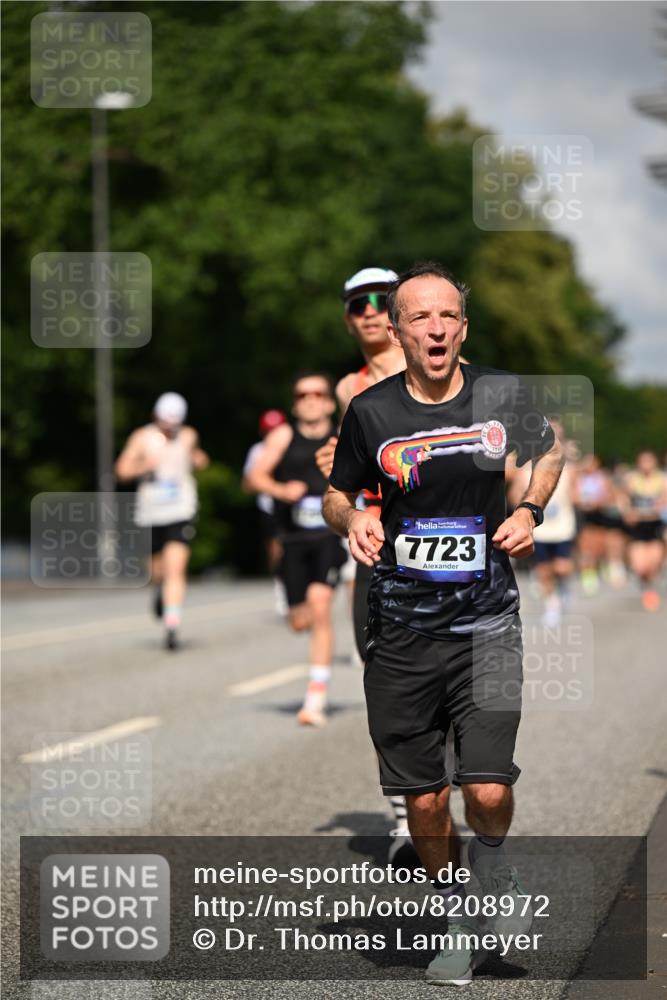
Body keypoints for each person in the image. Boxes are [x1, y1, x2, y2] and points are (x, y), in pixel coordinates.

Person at [323, 262, 563, 985]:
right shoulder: (371, 412)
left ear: (463, 326)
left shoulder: (500, 395)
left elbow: (548, 450)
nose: (435, 328)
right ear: (397, 332)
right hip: (400, 631)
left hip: (487, 621)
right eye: (418, 318)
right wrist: (354, 519)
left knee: (485, 790)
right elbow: (336, 495)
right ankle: (455, 916)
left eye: (447, 316)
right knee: (423, 799)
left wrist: (528, 509)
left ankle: (493, 870)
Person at [246, 373, 347, 726]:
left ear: (329, 402)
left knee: (320, 608)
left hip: (329, 538)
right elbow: (253, 477)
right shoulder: (282, 437)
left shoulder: (341, 437)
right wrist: (279, 489)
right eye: (302, 393)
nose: (310, 399)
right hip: (291, 540)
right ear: (295, 402)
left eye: (318, 393)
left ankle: (315, 699)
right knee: (299, 619)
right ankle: (300, 617)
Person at [115, 392, 209, 650]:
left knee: (176, 568)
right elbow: (121, 471)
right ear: (156, 417)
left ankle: (172, 622)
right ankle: (160, 593)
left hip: (181, 510)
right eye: (166, 423)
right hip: (151, 511)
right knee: (157, 571)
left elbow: (199, 458)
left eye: (174, 424)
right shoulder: (141, 437)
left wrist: (198, 459)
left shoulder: (188, 435)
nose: (170, 429)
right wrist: (143, 465)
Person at [507, 421, 577, 626]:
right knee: (544, 570)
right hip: (539, 528)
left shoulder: (568, 467)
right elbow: (513, 497)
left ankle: (564, 587)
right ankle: (552, 605)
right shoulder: (525, 469)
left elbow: (575, 494)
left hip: (563, 526)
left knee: (562, 567)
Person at [242, 409, 289, 616]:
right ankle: (280, 587)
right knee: (276, 551)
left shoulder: (293, 445)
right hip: (269, 507)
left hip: (293, 506)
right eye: (269, 431)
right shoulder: (258, 451)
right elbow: (247, 484)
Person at [620, 450, 666, 611]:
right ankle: (646, 585)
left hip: (655, 527)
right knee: (640, 566)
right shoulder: (632, 480)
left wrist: (659, 508)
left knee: (653, 564)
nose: (646, 465)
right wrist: (627, 512)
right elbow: (623, 499)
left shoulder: (661, 480)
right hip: (638, 528)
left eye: (649, 461)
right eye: (643, 461)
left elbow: (664, 503)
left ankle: (650, 588)